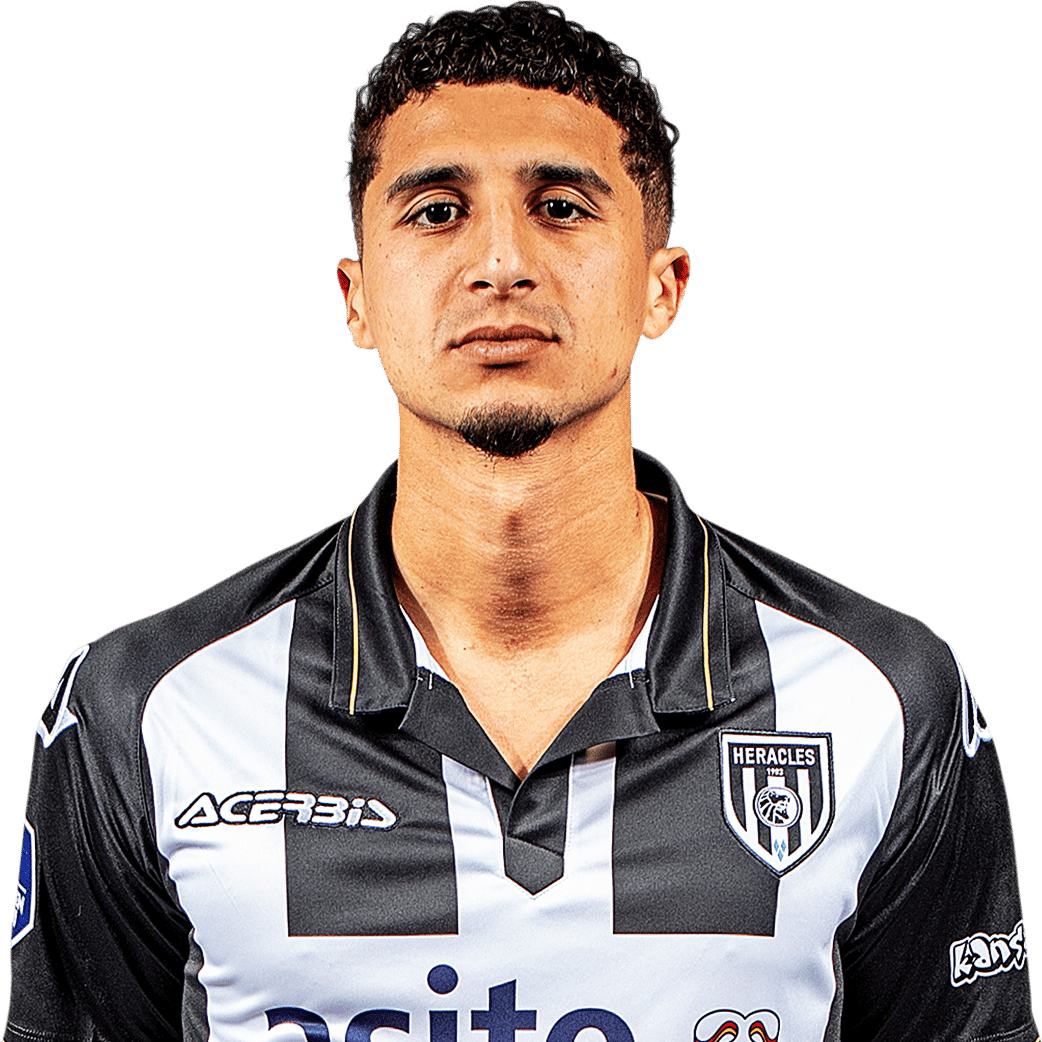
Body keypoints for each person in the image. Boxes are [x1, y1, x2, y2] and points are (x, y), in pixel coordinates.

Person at [4, 3, 1037, 1040]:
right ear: (357, 299)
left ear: (662, 286)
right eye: (435, 212)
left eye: (561, 206)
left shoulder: (881, 697)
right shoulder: (148, 706)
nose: (501, 262)